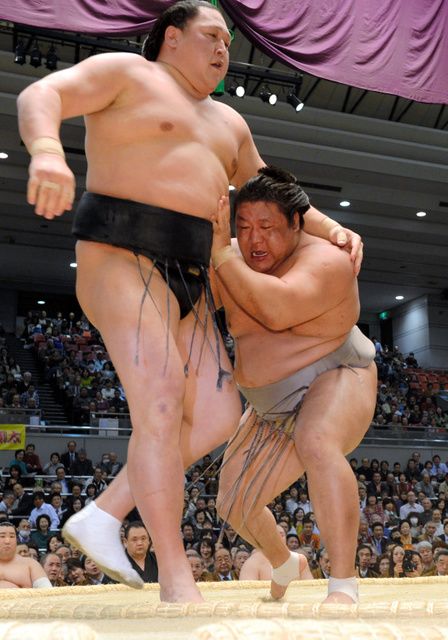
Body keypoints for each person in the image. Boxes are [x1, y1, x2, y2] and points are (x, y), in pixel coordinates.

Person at [17, 0, 362, 603]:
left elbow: (273, 192)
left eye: (229, 41)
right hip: (120, 248)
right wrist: (47, 149)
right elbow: (41, 93)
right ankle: (175, 576)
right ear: (171, 37)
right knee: (160, 398)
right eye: (212, 36)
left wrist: (332, 230)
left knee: (215, 417)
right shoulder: (128, 73)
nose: (224, 49)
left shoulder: (230, 123)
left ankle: (104, 512)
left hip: (193, 270)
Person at [211, 167, 377, 604]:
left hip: (337, 373)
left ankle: (343, 584)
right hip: (269, 403)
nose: (254, 240)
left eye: (266, 227)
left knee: (317, 439)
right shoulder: (228, 257)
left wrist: (222, 255)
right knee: (232, 503)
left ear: (297, 224)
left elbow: (277, 309)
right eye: (243, 227)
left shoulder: (330, 260)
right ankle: (286, 561)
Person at [239, 524, 311, 581]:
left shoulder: (299, 560)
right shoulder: (252, 563)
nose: (278, 537)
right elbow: (247, 592)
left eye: (281, 535)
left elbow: (310, 588)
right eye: (274, 534)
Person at [0, 522, 52, 588]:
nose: (7, 541)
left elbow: (47, 590)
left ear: (16, 539)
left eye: (12, 536)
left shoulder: (31, 564)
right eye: (2, 536)